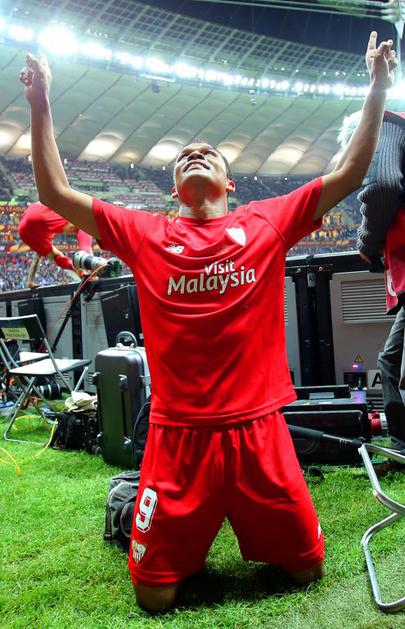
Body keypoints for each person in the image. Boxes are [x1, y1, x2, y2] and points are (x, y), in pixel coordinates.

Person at [20, 31, 395, 612]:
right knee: (154, 597)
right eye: (184, 156)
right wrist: (41, 99)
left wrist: (377, 86)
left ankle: (189, 520)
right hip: (178, 437)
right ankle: (148, 510)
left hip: (258, 431)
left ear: (230, 182)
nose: (195, 152)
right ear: (173, 187)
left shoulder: (266, 221)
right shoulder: (143, 232)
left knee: (307, 570)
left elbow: (349, 172)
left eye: (208, 153)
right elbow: (54, 190)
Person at [338, 110, 405, 444]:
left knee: (395, 364)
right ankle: (401, 444)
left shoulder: (386, 126)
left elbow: (382, 187)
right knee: (390, 361)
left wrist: (367, 241)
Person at [18, 201, 93, 287]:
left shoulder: (40, 236)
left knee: (57, 257)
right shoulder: (58, 214)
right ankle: (88, 260)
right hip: (39, 214)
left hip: (23, 230)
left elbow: (36, 259)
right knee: (82, 225)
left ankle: (81, 272)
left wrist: (30, 281)